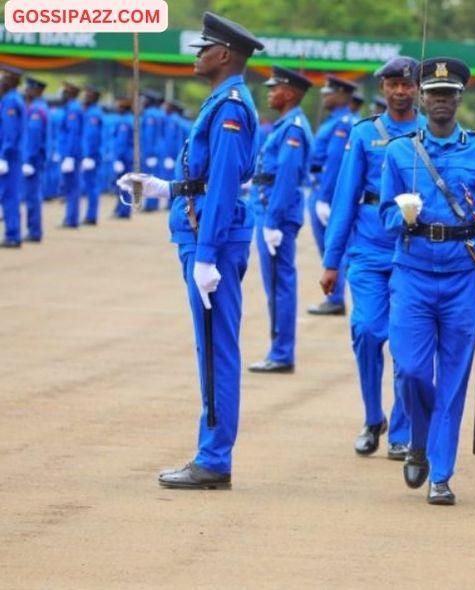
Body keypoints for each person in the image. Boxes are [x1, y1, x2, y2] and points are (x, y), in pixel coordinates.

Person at [118, 11, 264, 490]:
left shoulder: (230, 107)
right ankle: (212, 452)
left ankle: (214, 458)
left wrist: (206, 255)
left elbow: (222, 186)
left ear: (224, 55)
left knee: (216, 350)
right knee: (211, 346)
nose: (198, 55)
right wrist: (160, 187)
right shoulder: (222, 102)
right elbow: (203, 178)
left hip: (212, 241)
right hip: (202, 232)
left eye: (204, 48)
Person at [379, 57, 475, 505]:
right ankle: (418, 439)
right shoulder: (400, 151)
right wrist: (401, 215)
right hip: (414, 271)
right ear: (421, 98)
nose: (440, 102)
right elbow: (383, 214)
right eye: (433, 94)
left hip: (462, 273)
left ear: (460, 99)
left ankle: (440, 472)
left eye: (448, 94)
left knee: (455, 376)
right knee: (412, 371)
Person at [319, 56, 423, 459]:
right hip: (367, 248)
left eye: (408, 85)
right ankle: (371, 416)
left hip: (410, 250)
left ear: (417, 89)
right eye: (393, 85)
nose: (400, 91)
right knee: (366, 330)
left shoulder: (428, 133)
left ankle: (401, 429)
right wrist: (331, 261)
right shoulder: (365, 134)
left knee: (404, 341)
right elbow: (345, 197)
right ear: (383, 89)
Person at [247, 66, 315, 374]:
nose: (270, 93)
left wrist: (273, 221)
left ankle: (281, 352)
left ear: (289, 93)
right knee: (276, 284)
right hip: (269, 208)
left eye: (275, 89)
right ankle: (279, 349)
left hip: (276, 215)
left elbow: (287, 178)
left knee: (279, 285)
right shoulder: (286, 124)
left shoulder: (293, 128)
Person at [308, 74, 357, 316]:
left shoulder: (343, 123)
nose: (325, 96)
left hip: (327, 191)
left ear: (342, 95)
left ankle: (336, 297)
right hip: (320, 187)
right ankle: (334, 296)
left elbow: (334, 164)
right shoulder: (334, 120)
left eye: (330, 93)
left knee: (333, 247)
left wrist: (326, 199)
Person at [20, 76, 47, 242]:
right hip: (34, 158)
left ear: (37, 91)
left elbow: (34, 137)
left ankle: (34, 231)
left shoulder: (36, 110)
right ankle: (33, 230)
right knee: (31, 195)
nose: (26, 91)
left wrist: (29, 160)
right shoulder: (37, 107)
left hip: (34, 159)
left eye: (29, 88)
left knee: (32, 196)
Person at [0, 66, 25, 248]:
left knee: (10, 195)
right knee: (10, 195)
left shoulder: (11, 101)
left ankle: (13, 235)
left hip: (10, 156)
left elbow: (10, 131)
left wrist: (3, 155)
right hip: (10, 155)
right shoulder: (11, 98)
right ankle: (13, 233)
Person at [57, 82, 84, 228]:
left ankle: (71, 219)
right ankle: (70, 218)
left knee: (72, 187)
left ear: (71, 93)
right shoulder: (70, 108)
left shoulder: (73, 109)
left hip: (71, 154)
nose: (62, 95)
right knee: (69, 187)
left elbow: (73, 134)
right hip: (68, 153)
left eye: (65, 92)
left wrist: (69, 156)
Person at [80, 85, 103, 225]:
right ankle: (90, 215)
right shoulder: (90, 111)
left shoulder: (93, 113)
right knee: (89, 186)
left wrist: (88, 155)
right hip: (90, 154)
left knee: (92, 186)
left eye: (88, 95)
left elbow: (92, 136)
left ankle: (91, 216)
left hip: (92, 155)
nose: (85, 97)